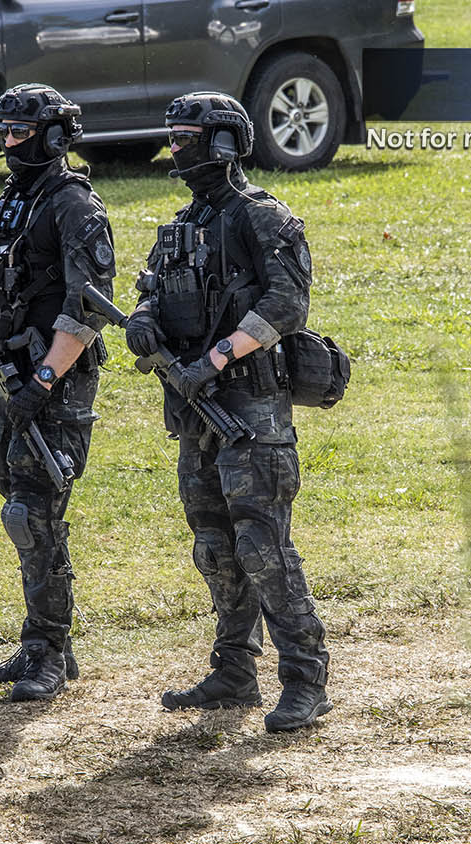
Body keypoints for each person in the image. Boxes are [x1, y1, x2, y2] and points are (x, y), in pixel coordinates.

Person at [127, 92, 330, 733]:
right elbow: (152, 291)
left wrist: (215, 359)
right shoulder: (184, 224)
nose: (175, 150)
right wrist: (141, 322)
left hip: (251, 410)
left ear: (221, 143)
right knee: (214, 547)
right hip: (196, 415)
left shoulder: (261, 217)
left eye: (186, 138)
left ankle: (304, 679)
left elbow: (287, 302)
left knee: (263, 546)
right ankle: (235, 670)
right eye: (173, 137)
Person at [0, 84, 115, 702]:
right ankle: (43, 642)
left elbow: (88, 307)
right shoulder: (11, 201)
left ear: (55, 136)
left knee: (35, 514)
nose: (8, 143)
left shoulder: (74, 205)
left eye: (20, 132)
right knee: (19, 507)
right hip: (8, 377)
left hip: (51, 382)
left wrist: (44, 381)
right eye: (4, 131)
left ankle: (49, 651)